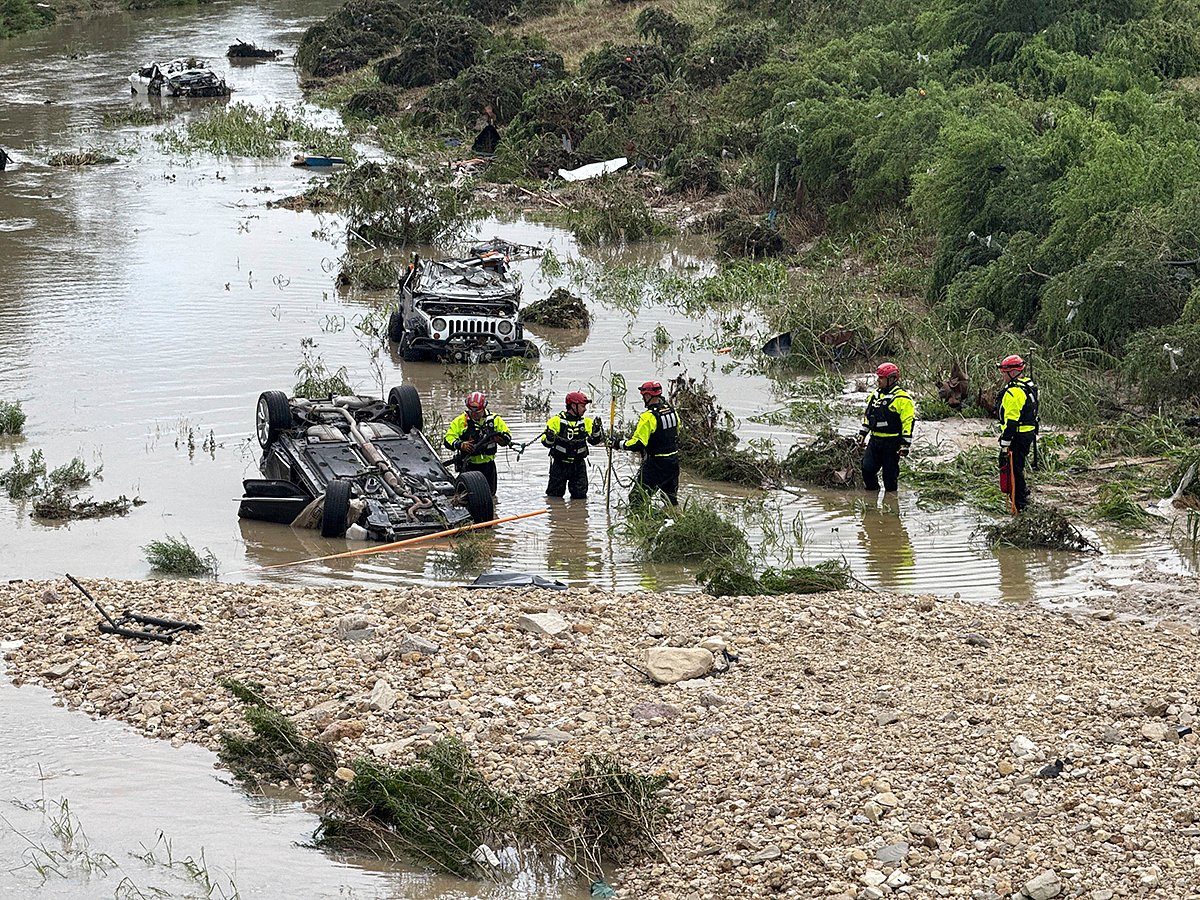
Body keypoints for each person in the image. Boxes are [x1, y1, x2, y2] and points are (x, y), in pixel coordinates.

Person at [618, 381, 680, 506]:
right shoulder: (673, 412)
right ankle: (673, 521)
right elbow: (675, 432)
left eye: (643, 396)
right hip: (673, 464)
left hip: (656, 465)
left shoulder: (648, 417)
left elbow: (637, 444)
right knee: (670, 500)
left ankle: (639, 523)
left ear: (647, 396)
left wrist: (618, 443)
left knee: (636, 498)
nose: (642, 398)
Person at [858, 362, 915, 493]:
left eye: (881, 378)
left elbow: (908, 422)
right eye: (878, 378)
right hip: (874, 441)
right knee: (867, 469)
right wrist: (862, 434)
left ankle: (891, 506)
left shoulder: (902, 399)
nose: (878, 381)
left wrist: (905, 444)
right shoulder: (875, 395)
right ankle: (871, 501)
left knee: (889, 477)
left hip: (892, 443)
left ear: (892, 379)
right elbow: (868, 415)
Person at [443, 391, 511, 494]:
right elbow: (448, 439)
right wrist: (460, 445)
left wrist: (501, 439)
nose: (474, 414)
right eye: (471, 411)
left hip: (488, 467)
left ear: (483, 408)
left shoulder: (494, 420)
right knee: (467, 495)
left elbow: (507, 437)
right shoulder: (461, 421)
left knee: (490, 496)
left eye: (477, 412)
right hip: (469, 465)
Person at [541, 390, 606, 499]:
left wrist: (596, 430)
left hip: (578, 466)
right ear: (573, 406)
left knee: (580, 498)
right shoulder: (555, 421)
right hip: (559, 465)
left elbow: (594, 441)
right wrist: (550, 437)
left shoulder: (586, 422)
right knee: (554, 497)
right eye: (582, 406)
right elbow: (545, 442)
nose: (585, 409)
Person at [997, 354, 1039, 512]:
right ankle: (1022, 496)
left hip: (1017, 436)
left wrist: (1005, 442)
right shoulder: (1028, 385)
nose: (1003, 376)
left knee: (1014, 470)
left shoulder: (1014, 392)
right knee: (1018, 467)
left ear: (1013, 373)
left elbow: (1011, 421)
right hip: (1028, 433)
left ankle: (1019, 503)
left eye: (1004, 372)